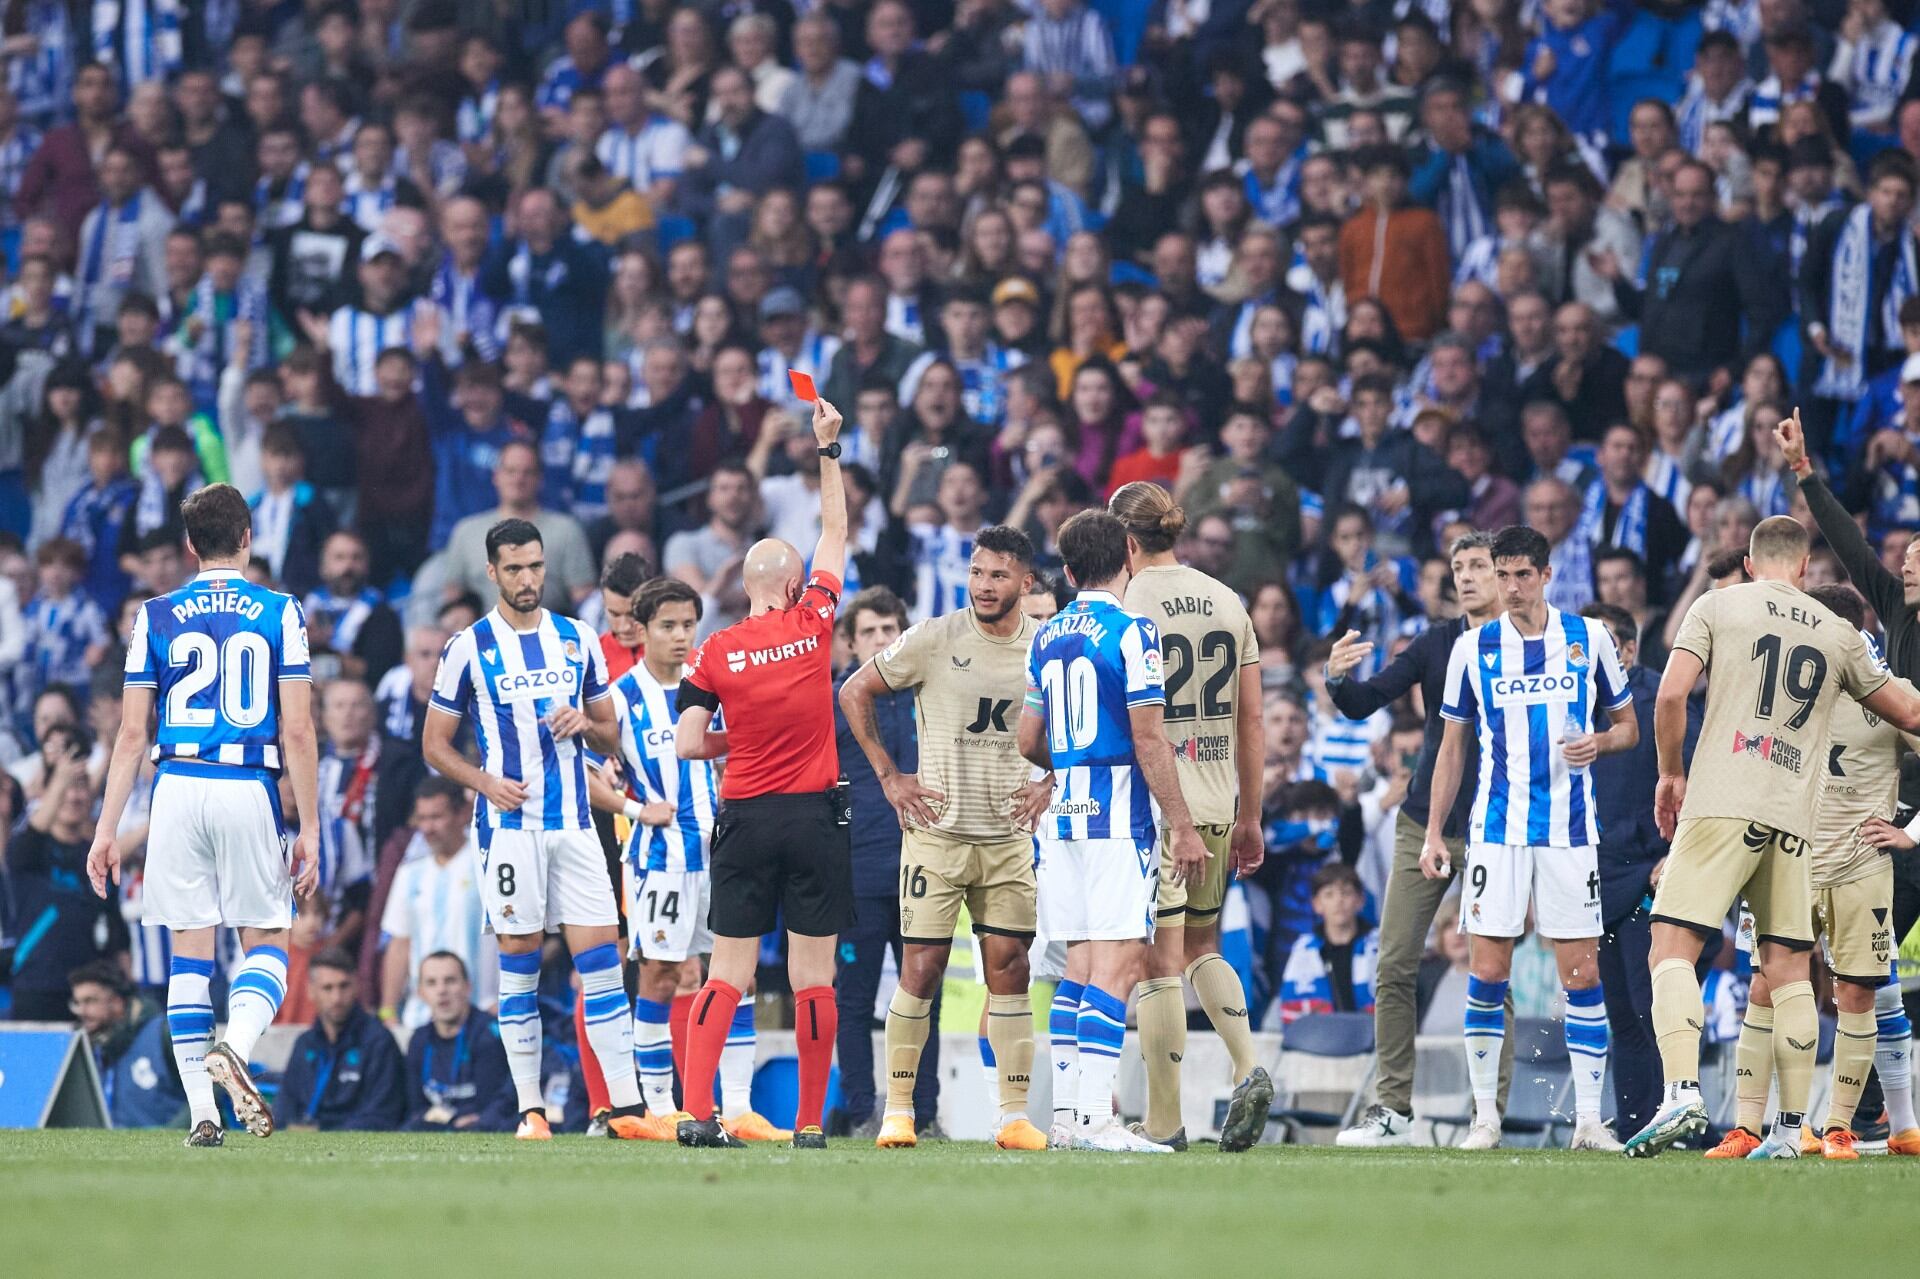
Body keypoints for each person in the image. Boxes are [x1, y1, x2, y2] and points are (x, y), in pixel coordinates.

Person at [1627, 505, 1920, 1158]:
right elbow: (1909, 710)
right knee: (1789, 971)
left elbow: (1672, 696)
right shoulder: (1839, 633)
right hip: (1796, 818)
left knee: (1669, 945)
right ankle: (1790, 1130)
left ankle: (1681, 1092)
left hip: (1724, 797)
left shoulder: (1719, 605)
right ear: (1806, 567)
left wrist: (1670, 774)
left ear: (1754, 564)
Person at [86, 483, 320, 1149]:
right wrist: (311, 825)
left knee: (191, 949)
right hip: (246, 781)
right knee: (269, 940)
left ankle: (202, 1116)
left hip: (176, 786)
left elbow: (131, 736)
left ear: (190, 545)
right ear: (248, 536)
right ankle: (237, 1048)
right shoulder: (280, 609)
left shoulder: (154, 613)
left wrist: (106, 830)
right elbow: (299, 730)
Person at [421, 516, 647, 1142]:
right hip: (510, 828)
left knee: (603, 962)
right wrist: (484, 781)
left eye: (536, 566)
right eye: (515, 569)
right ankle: (531, 1110)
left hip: (577, 825)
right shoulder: (467, 646)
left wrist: (588, 724)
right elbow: (434, 745)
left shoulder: (578, 639)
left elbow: (611, 731)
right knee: (518, 966)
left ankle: (625, 1107)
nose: (528, 579)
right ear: (491, 572)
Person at [670, 394, 850, 1150]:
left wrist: (736, 742)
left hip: (743, 814)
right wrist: (827, 450)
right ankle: (809, 1121)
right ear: (795, 578)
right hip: (813, 816)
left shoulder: (713, 651)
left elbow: (685, 743)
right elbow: (837, 528)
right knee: (814, 978)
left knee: (728, 972)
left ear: (747, 585)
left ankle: (695, 1111)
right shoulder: (814, 621)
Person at [1423, 524, 1639, 1152]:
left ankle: (1590, 1121)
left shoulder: (1589, 637)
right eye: (1502, 574)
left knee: (1581, 975)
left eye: (1523, 575)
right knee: (1488, 971)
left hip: (1571, 833)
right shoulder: (1473, 648)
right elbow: (1452, 747)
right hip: (1497, 831)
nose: (1511, 587)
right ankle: (1484, 1119)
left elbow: (1628, 726)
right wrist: (1435, 831)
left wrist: (1598, 742)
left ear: (1547, 576)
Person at [837, 525, 1051, 1151]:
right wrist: (890, 778)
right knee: (921, 968)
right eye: (978, 573)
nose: (984, 585)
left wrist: (1054, 780)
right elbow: (855, 691)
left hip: (1008, 838)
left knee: (1009, 970)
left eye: (998, 576)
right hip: (937, 835)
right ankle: (898, 1111)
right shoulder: (934, 637)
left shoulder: (1046, 646)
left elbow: (1093, 716)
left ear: (1025, 583)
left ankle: (1012, 1118)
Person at [1704, 583, 1920, 1159]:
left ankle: (1840, 1127)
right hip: (1785, 861)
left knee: (1856, 993)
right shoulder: (1783, 691)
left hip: (1859, 866)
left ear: (1846, 634)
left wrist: (1911, 832)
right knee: (1763, 989)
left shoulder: (1893, 696)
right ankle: (1748, 1127)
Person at [1016, 509, 1207, 1154]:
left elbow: (1028, 737)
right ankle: (1097, 1119)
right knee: (1120, 964)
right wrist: (1181, 825)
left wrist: (1065, 770)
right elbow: (1150, 739)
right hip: (1118, 815)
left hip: (1063, 815)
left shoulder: (1046, 635)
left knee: (1079, 965)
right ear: (1130, 551)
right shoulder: (1134, 633)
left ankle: (1069, 1119)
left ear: (1067, 572)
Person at [1331, 532, 1516, 1148]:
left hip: (1499, 823)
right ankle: (1393, 1110)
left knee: (1492, 971)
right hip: (1424, 820)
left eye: (1478, 566)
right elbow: (1365, 702)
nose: (1465, 577)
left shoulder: (1530, 646)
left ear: (1506, 574)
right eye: (1458, 568)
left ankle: (1489, 1112)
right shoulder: (1437, 643)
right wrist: (1337, 680)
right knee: (1393, 965)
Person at [1107, 482, 1273, 1152]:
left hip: (1157, 805)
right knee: (1204, 944)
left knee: (1157, 962)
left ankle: (1164, 1122)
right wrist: (1250, 813)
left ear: (1124, 540)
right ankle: (1247, 1061)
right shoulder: (1227, 600)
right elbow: (1253, 716)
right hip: (1215, 799)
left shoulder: (1123, 603)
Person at [593, 576, 788, 1143]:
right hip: (660, 859)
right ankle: (658, 1106)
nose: (681, 637)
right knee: (659, 974)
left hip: (724, 851)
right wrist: (631, 804)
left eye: (688, 625)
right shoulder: (621, 698)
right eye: (668, 626)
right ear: (641, 630)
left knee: (738, 975)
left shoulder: (718, 685)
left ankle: (740, 1108)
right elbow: (581, 771)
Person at [1579, 600, 1674, 1139]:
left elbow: (1699, 776)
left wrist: (1676, 854)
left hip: (1649, 873)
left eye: (1605, 645)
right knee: (1619, 1011)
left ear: (1631, 650)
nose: (1589, 657)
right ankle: (1638, 1123)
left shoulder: (1662, 700)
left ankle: (1673, 1113)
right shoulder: (1572, 705)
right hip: (1594, 877)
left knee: (1649, 1006)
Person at [377, 777, 491, 1031]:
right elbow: (399, 943)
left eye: (436, 817)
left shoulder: (487, 866)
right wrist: (388, 1010)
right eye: (422, 819)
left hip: (483, 1012)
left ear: (462, 814)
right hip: (421, 1019)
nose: (427, 828)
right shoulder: (410, 873)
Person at [273, 947, 407, 1132]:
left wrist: (322, 1132)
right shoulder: (305, 1044)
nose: (336, 998)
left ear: (356, 986)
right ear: (311, 991)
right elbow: (284, 1109)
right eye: (327, 988)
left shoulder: (379, 1041)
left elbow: (382, 1114)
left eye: (343, 986)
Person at [401, 951, 519, 1134]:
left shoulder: (489, 1036)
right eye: (431, 983)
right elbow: (416, 1108)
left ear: (467, 987)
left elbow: (491, 1107)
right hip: (441, 1127)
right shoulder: (419, 1040)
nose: (442, 991)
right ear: (421, 993)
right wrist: (451, 1121)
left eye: (450, 981)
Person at [68, 960, 184, 1129]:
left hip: (168, 1150)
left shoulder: (162, 1033)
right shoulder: (87, 1045)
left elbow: (210, 1085)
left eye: (90, 1001)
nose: (82, 1012)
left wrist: (175, 1130)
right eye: (77, 1003)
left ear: (116, 1002)